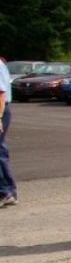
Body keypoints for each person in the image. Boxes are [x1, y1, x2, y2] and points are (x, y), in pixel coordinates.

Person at [0, 56, 16, 207]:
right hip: (3, 109)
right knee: (1, 151)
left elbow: (0, 94)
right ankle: (8, 191)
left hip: (1, 109)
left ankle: (4, 192)